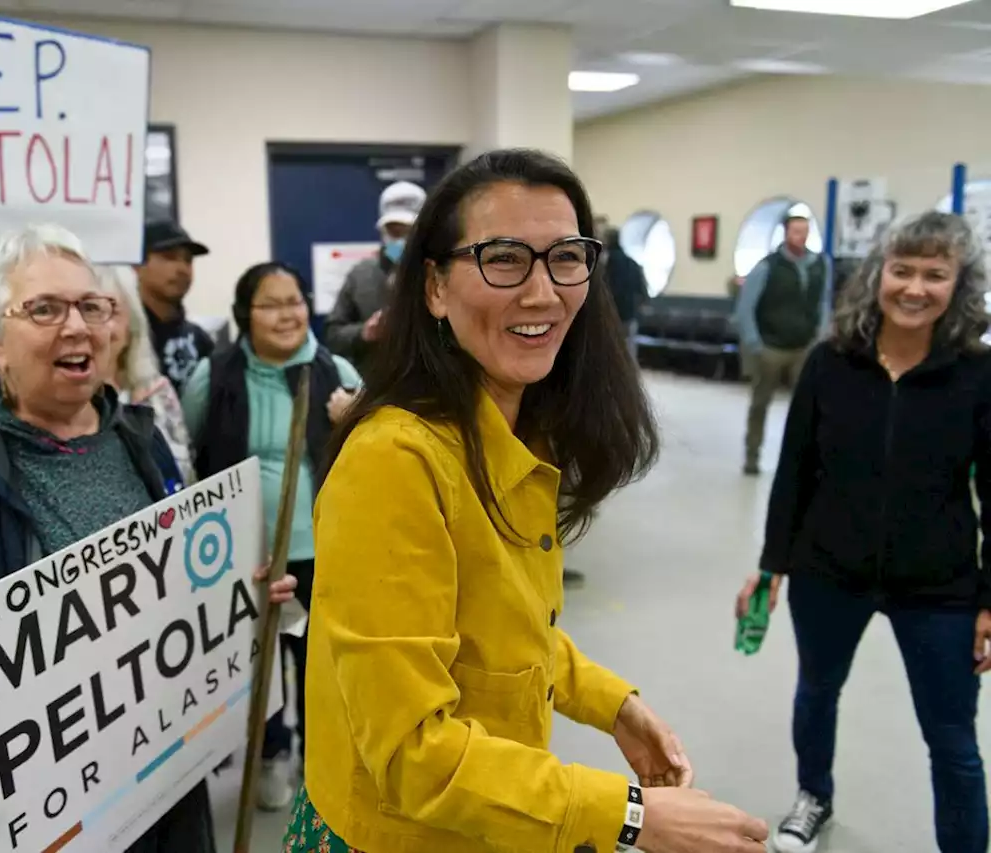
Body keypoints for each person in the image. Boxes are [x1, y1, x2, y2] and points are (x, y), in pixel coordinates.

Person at [287, 148, 768, 853]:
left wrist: (615, 705)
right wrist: (632, 817)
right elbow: (411, 753)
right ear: (435, 288)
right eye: (503, 258)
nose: (542, 292)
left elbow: (500, 628)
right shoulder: (395, 462)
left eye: (565, 257)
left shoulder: (519, 429)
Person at [0, 224, 298, 853]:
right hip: (34, 814)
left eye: (92, 306)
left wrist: (234, 594)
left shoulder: (141, 437)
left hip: (163, 785)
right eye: (45, 309)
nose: (77, 327)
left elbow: (174, 583)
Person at [735, 211, 991, 853]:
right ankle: (813, 796)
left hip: (940, 587)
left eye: (936, 274)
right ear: (877, 275)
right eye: (902, 270)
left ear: (959, 285)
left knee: (954, 742)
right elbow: (793, 472)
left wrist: (989, 597)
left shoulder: (977, 374)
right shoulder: (831, 364)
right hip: (829, 574)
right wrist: (770, 568)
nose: (915, 287)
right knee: (817, 691)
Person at [181, 261, 361, 811]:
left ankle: (319, 757)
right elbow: (189, 457)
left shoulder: (340, 373)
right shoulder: (214, 376)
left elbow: (381, 461)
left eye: (295, 301)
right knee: (257, 660)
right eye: (271, 304)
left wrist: (355, 422)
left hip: (326, 551)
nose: (287, 315)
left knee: (320, 663)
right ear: (244, 314)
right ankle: (270, 752)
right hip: (244, 556)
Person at [734, 214, 831, 475]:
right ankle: (752, 456)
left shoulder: (820, 264)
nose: (801, 236)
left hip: (804, 346)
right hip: (771, 346)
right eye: (796, 231)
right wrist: (756, 344)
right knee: (760, 404)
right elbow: (745, 308)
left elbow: (824, 302)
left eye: (805, 231)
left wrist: (820, 336)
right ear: (786, 233)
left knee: (807, 407)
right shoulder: (767, 266)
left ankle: (803, 460)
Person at [102, 263, 197, 484]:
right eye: (90, 311)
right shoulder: (69, 407)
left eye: (111, 311)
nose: (100, 327)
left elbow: (188, 475)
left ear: (131, 324)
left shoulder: (158, 391)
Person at [325, 181, 427, 372]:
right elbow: (332, 335)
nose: (401, 240)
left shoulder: (441, 274)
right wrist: (364, 332)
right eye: (394, 231)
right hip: (373, 386)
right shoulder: (361, 275)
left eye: (410, 232)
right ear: (382, 231)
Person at [136, 219, 216, 393]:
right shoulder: (122, 337)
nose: (182, 268)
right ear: (137, 266)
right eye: (169, 257)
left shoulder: (200, 340)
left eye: (188, 260)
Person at [602, 227, 650, 360]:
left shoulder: (607, 264)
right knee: (629, 347)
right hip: (630, 312)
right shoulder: (632, 262)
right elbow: (642, 287)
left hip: (613, 312)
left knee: (611, 347)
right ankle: (629, 376)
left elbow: (604, 287)